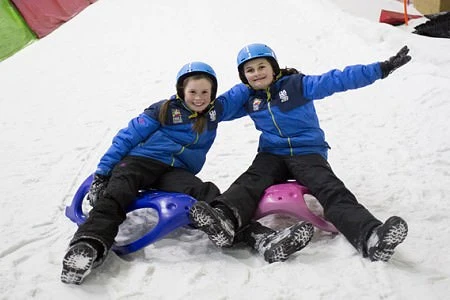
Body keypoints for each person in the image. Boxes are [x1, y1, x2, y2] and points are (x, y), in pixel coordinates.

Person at [61, 61, 314, 285]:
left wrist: (269, 79)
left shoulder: (213, 113)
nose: (199, 98)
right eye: (193, 92)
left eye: (205, 92)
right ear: (182, 90)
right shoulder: (162, 110)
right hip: (141, 161)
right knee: (118, 191)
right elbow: (125, 139)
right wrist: (103, 174)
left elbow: (242, 93)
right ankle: (89, 244)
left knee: (208, 193)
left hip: (175, 170)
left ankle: (261, 239)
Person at [189, 43, 411, 263]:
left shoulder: (296, 86)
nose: (256, 74)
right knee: (250, 181)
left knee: (330, 188)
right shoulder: (248, 98)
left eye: (261, 66)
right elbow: (218, 109)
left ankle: (371, 236)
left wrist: (381, 69)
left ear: (273, 67)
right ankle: (224, 219)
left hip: (307, 152)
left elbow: (338, 80)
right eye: (249, 70)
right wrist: (183, 105)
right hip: (271, 153)